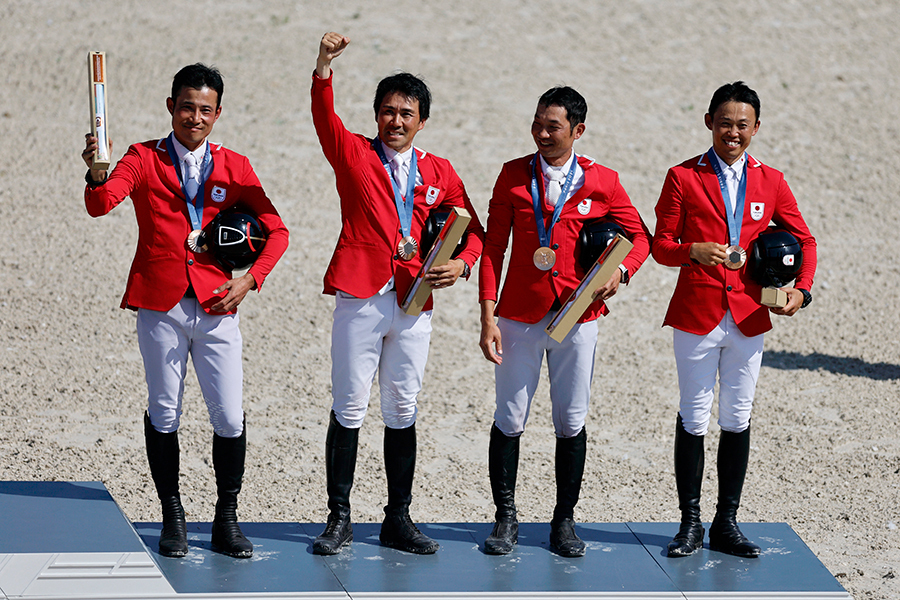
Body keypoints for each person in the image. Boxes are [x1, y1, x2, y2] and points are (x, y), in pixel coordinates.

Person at [80, 63, 289, 559]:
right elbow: (102, 203)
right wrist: (95, 171)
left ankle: (227, 519)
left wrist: (250, 280)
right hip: (161, 302)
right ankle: (173, 516)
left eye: (205, 110)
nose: (195, 117)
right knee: (166, 411)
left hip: (218, 303)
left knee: (230, 417)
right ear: (171, 107)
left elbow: (278, 232)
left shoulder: (234, 165)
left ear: (217, 114)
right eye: (187, 107)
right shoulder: (141, 157)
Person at [309, 32, 484, 556]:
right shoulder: (354, 153)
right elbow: (323, 116)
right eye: (387, 111)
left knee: (403, 407)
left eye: (407, 113)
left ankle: (397, 519)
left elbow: (475, 228)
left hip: (413, 300)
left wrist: (462, 263)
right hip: (361, 294)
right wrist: (323, 67)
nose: (396, 121)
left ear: (422, 120)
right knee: (349, 405)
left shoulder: (438, 171)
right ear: (376, 115)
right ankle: (339, 518)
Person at [478, 86, 651, 557]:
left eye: (552, 126)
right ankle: (505, 518)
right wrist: (487, 314)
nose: (542, 133)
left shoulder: (604, 181)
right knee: (509, 418)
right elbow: (494, 249)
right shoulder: (513, 175)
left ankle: (564, 521)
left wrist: (621, 272)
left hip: (578, 315)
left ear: (578, 130)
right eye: (537, 123)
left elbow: (640, 237)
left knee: (570, 420)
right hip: (518, 316)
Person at [652, 81, 816, 559]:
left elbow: (804, 240)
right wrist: (692, 251)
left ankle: (726, 521)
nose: (733, 132)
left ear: (756, 128)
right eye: (725, 123)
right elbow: (660, 245)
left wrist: (800, 292)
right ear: (709, 123)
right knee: (694, 416)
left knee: (738, 417)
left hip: (748, 312)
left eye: (742, 125)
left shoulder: (772, 180)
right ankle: (689, 523)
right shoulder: (683, 176)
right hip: (698, 312)